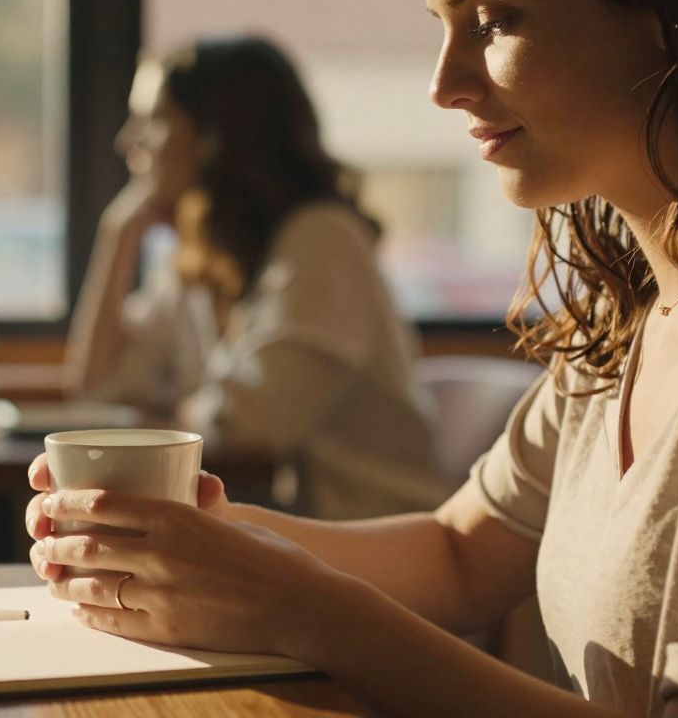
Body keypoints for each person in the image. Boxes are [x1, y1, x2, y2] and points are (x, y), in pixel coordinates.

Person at [25, 0, 678, 716]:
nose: (442, 87)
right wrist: (211, 537)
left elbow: (249, 423)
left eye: (492, 23)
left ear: (670, 13)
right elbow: (460, 550)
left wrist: (308, 611)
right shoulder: (622, 323)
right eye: (441, 28)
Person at [64, 37, 445, 519]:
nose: (127, 142)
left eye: (154, 120)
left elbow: (249, 426)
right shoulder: (204, 258)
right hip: (281, 537)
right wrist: (118, 236)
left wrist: (173, 415)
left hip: (370, 538)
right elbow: (94, 391)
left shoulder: (324, 241)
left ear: (213, 138)